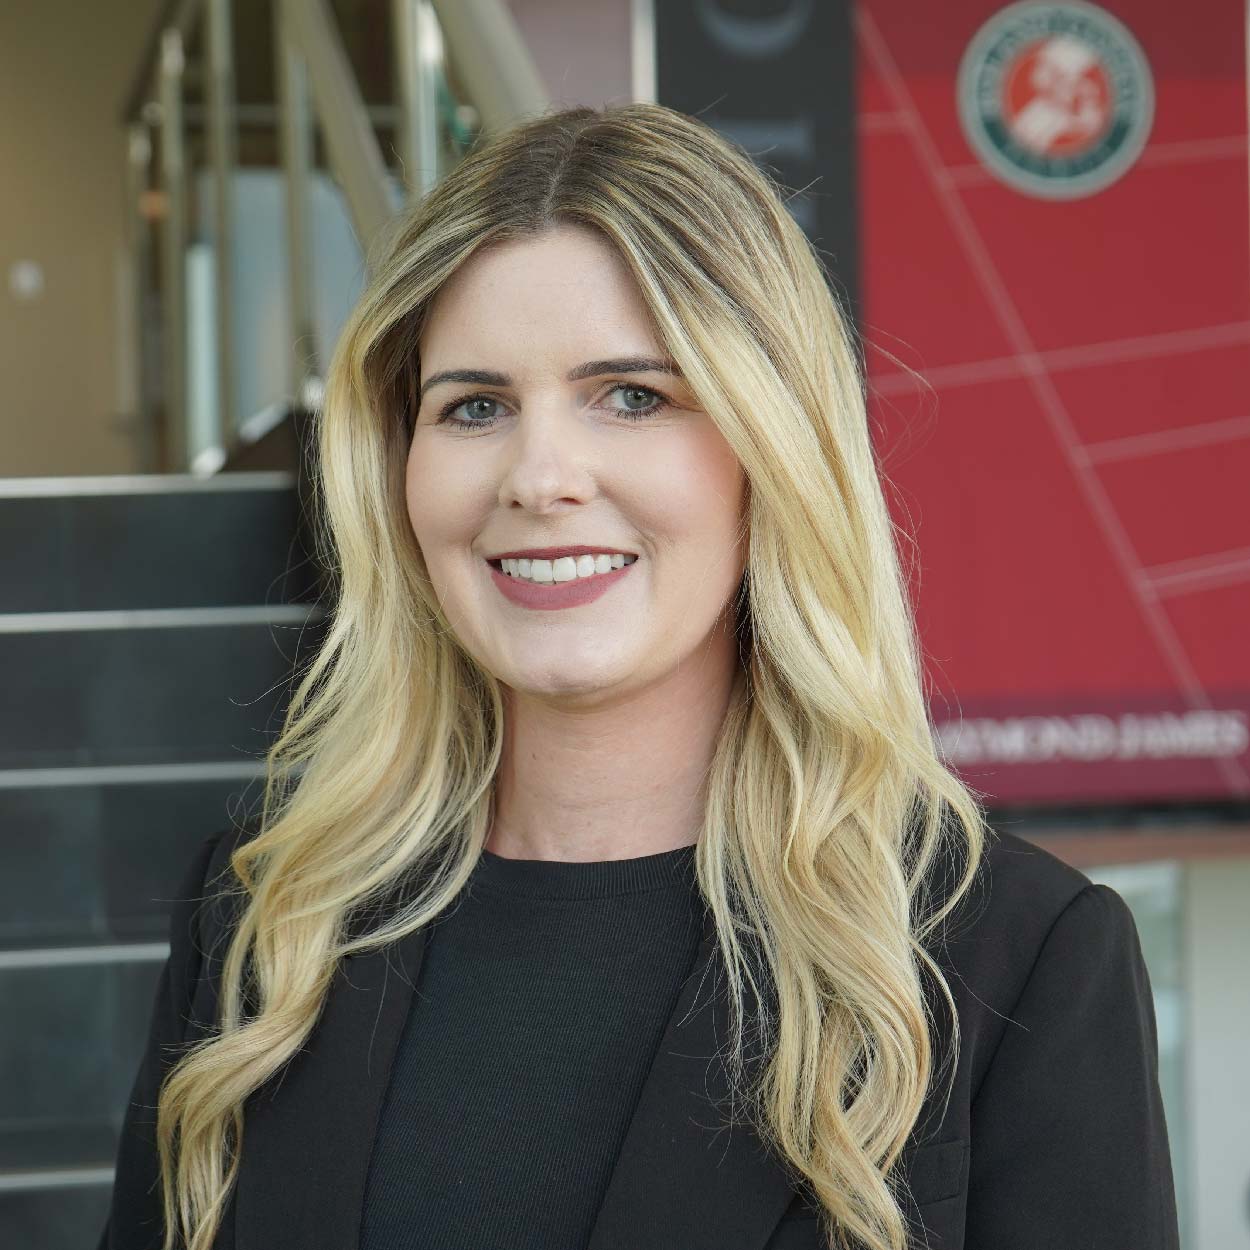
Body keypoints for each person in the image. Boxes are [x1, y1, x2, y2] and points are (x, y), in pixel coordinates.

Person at [99, 102, 1179, 1250]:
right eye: (474, 406)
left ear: (769, 447)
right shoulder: (264, 922)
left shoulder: (1014, 957)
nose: (539, 476)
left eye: (632, 395)